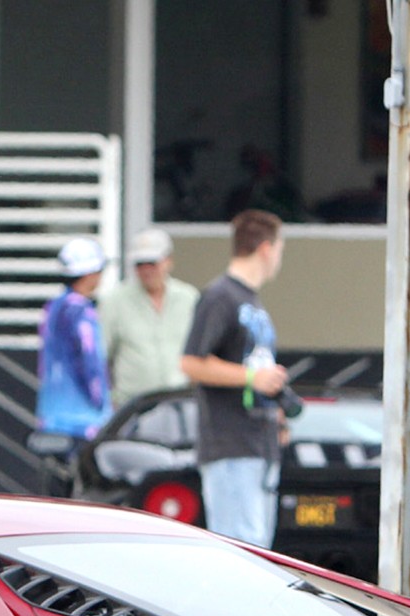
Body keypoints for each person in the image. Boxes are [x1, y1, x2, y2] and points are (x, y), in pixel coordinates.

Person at [179, 209, 290, 548]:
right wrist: (253, 378)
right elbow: (191, 363)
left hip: (259, 443)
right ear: (267, 249)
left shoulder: (251, 301)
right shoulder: (220, 296)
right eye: (280, 251)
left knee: (259, 551)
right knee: (240, 552)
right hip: (230, 444)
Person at [99, 227, 200, 410]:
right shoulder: (114, 301)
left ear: (168, 261)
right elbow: (101, 355)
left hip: (179, 401)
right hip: (132, 404)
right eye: (140, 263)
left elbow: (200, 351)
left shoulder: (188, 298)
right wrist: (108, 398)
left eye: (152, 262)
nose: (146, 270)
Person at [34, 236, 112, 451]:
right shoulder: (81, 312)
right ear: (89, 273)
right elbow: (88, 360)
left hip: (51, 416)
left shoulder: (54, 308)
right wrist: (99, 401)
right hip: (83, 421)